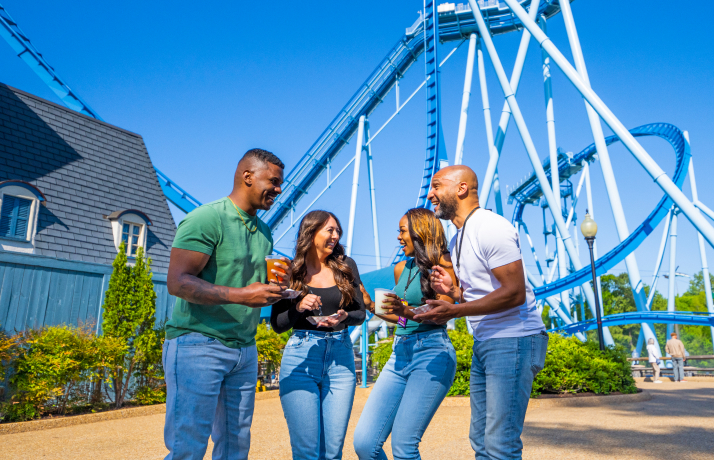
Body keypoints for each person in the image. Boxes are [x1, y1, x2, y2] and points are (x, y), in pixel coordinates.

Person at [163, 148, 290, 460]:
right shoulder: (207, 218)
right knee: (188, 448)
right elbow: (177, 282)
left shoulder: (264, 231)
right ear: (247, 176)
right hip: (198, 343)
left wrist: (281, 289)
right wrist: (243, 295)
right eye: (273, 181)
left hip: (244, 349)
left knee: (235, 447)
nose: (279, 189)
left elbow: (252, 284)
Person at [414, 165, 548, 459]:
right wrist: (453, 291)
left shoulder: (491, 226)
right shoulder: (458, 238)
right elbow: (483, 293)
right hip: (487, 341)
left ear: (461, 188)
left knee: (500, 443)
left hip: (514, 339)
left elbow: (514, 292)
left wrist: (456, 309)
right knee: (481, 440)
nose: (430, 193)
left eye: (437, 186)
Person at [353, 208, 458, 460]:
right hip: (399, 353)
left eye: (402, 231)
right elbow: (401, 317)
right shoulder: (401, 268)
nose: (399, 237)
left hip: (431, 352)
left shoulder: (445, 263)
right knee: (365, 444)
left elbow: (440, 313)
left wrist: (405, 310)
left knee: (404, 447)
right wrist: (369, 304)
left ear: (419, 232)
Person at [270, 210, 366, 460]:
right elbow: (278, 324)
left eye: (337, 230)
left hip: (341, 356)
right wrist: (298, 307)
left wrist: (345, 317)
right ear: (311, 233)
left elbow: (360, 313)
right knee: (306, 452)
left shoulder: (347, 265)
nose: (335, 235)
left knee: (332, 452)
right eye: (329, 230)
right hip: (301, 357)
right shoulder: (289, 271)